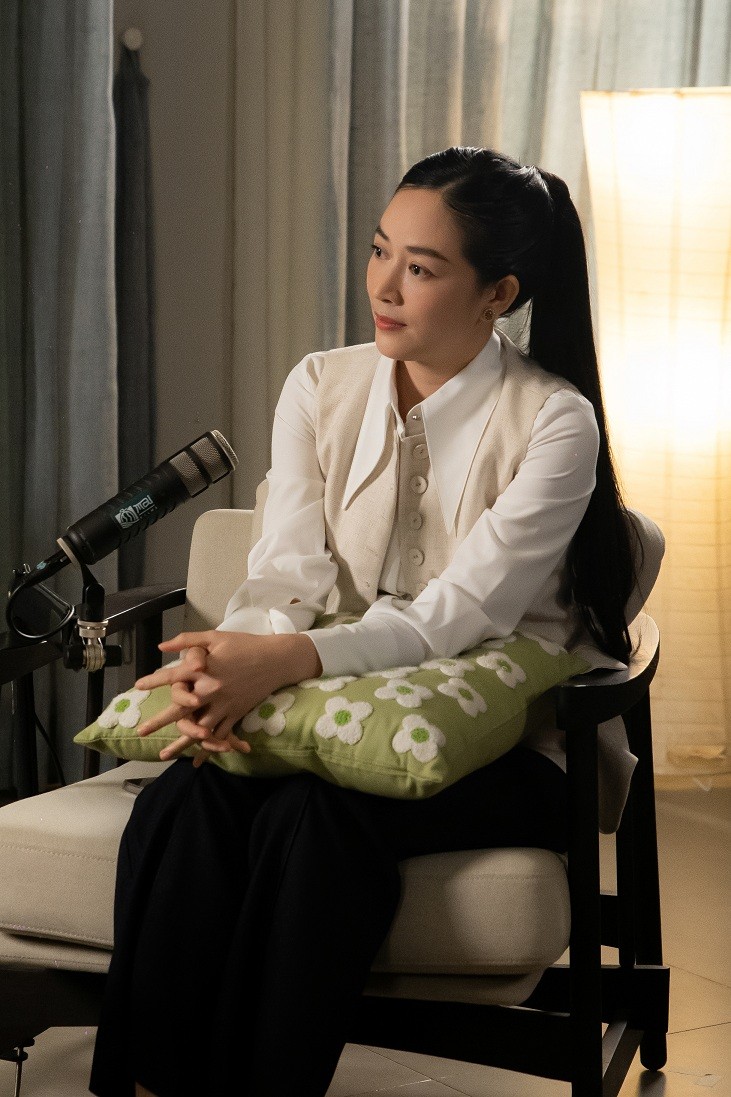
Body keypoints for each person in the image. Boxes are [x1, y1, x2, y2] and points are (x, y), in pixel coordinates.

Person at [89, 146, 640, 1097]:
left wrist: (284, 661)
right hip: (327, 703)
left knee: (317, 817)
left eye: (420, 267)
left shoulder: (555, 420)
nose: (383, 285)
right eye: (380, 249)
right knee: (187, 797)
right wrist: (237, 663)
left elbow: (457, 617)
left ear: (498, 293)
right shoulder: (320, 384)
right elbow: (285, 572)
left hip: (513, 744)